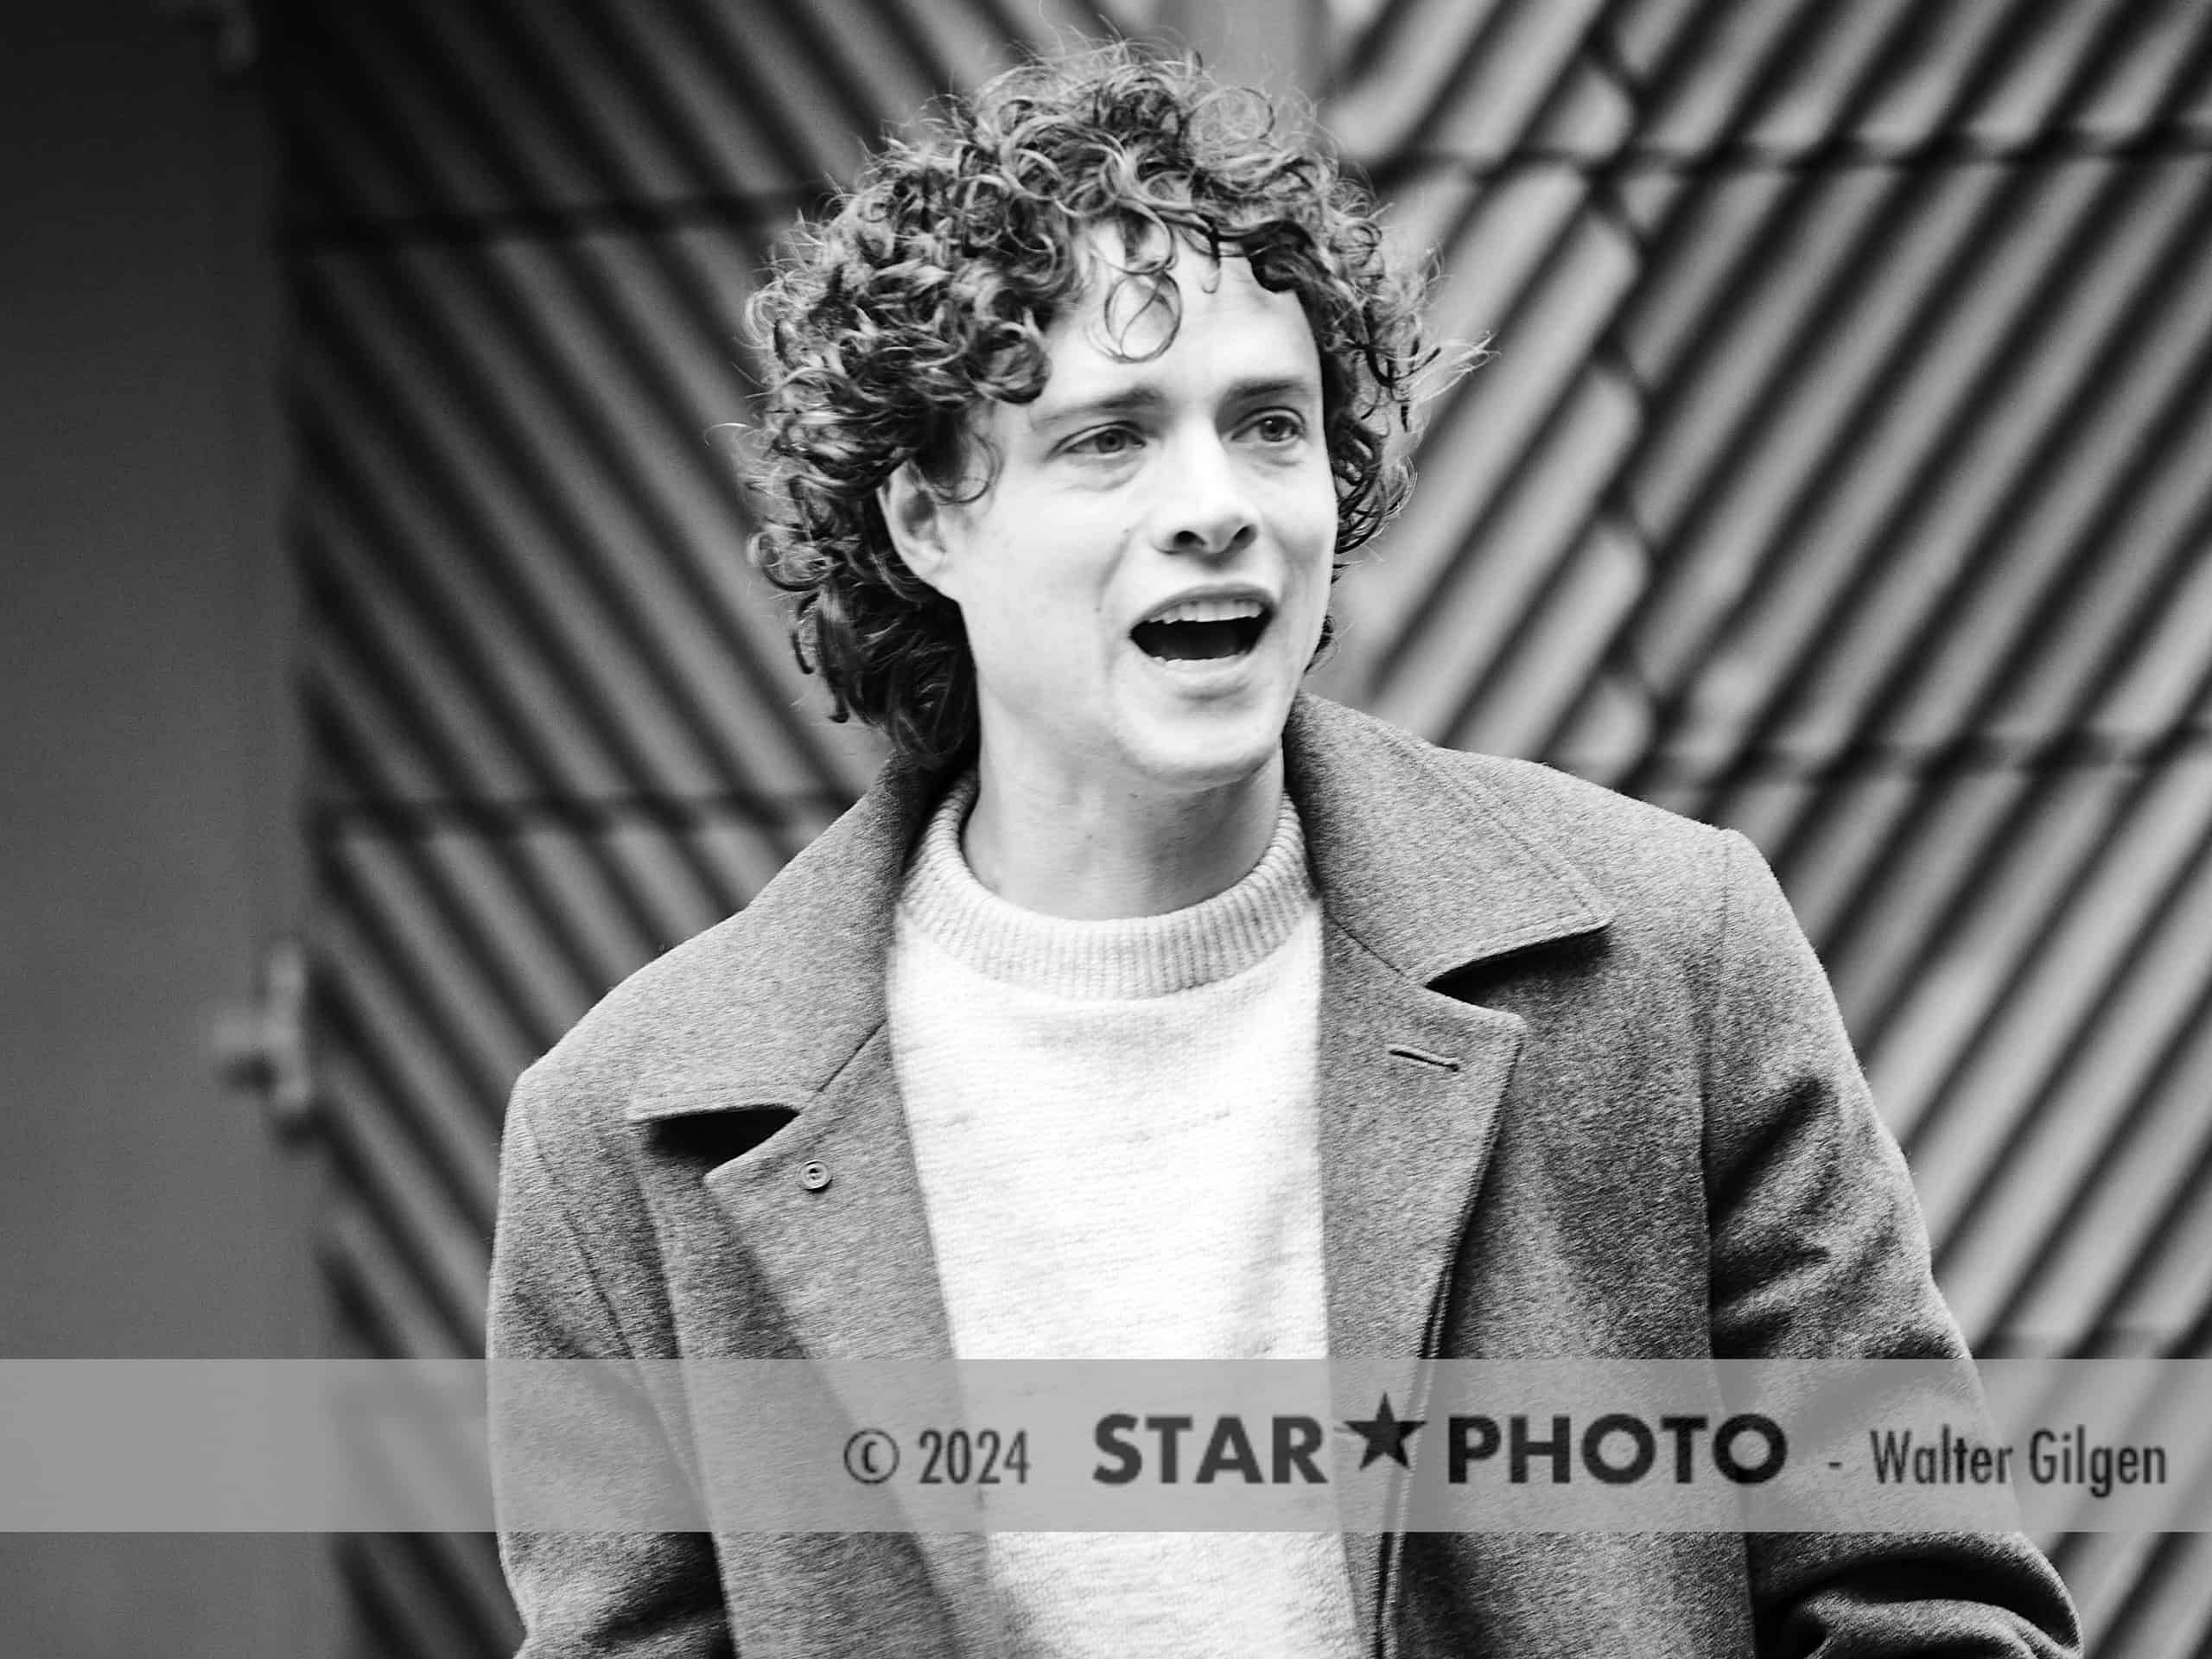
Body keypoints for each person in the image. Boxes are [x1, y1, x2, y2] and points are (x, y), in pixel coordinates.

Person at [489, 43, 2081, 1657]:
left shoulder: (1671, 958)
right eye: (1109, 438)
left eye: (1267, 424)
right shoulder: (626, 1138)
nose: (1217, 504)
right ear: (926, 519)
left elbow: (1922, 1599)